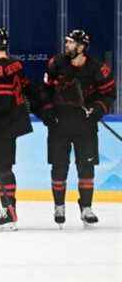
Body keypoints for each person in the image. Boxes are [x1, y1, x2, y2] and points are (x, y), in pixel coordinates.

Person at [40, 29, 116, 228]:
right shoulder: (56, 64)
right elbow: (44, 90)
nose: (67, 46)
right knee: (59, 167)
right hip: (59, 124)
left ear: (81, 47)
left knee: (86, 167)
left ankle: (86, 208)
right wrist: (47, 110)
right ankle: (59, 206)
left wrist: (98, 109)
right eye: (66, 42)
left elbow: (109, 94)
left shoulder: (98, 68)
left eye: (71, 43)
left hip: (85, 125)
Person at [0, 27, 40, 231]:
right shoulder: (15, 65)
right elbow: (27, 89)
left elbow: (0, 101)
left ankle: (8, 212)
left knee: (1, 167)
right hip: (8, 125)